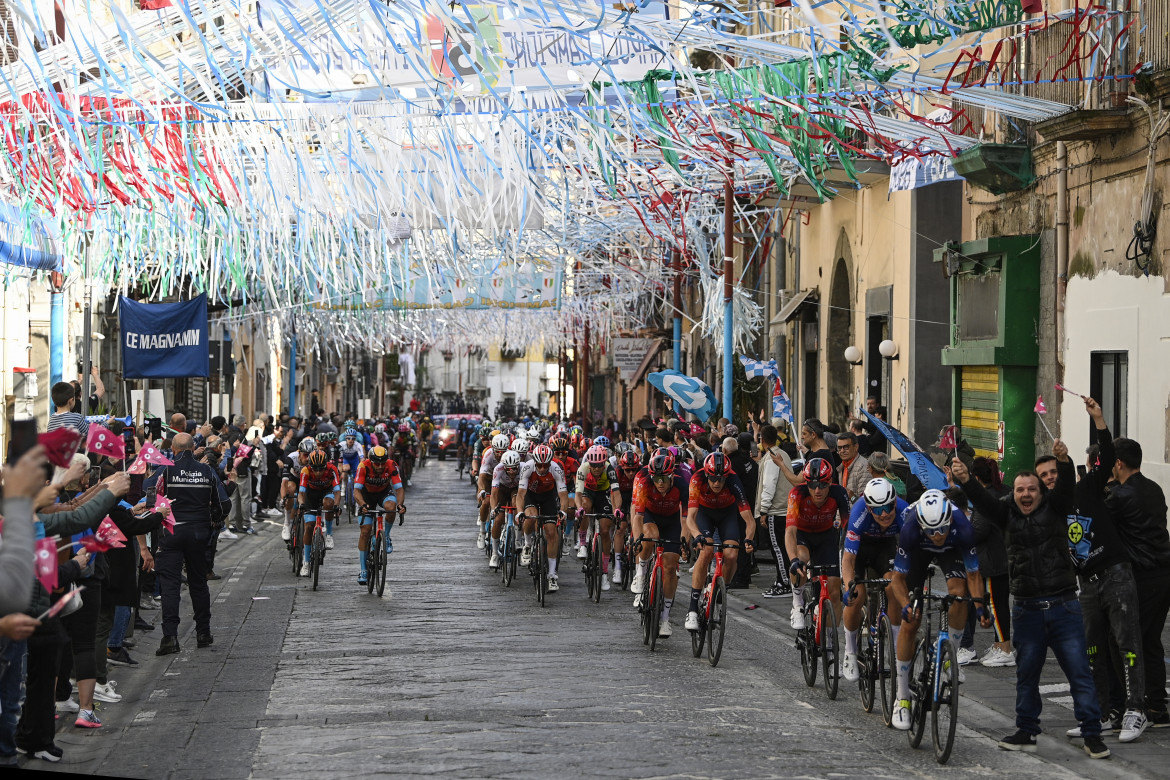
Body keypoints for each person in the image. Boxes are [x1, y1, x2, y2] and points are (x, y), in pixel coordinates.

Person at [952, 451, 1109, 759]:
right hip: (1027, 610)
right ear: (1014, 493)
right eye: (1020, 489)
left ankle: (1093, 735)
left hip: (1064, 606)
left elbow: (1064, 488)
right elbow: (983, 501)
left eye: (1032, 489)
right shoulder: (1005, 514)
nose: (1026, 494)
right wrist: (965, 478)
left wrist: (1063, 462)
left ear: (1041, 492)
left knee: (1079, 673)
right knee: (1026, 676)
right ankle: (1026, 730)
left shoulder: (1057, 506)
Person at [1053, 398, 1147, 741]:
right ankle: (1104, 713)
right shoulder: (1049, 511)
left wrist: (1099, 420)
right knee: (1092, 649)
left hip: (1115, 573)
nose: (1051, 480)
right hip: (1086, 584)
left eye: (1056, 472)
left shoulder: (1086, 489)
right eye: (1044, 477)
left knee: (1128, 643)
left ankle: (1137, 710)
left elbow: (1107, 457)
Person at [887, 490, 987, 729]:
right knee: (911, 621)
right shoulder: (910, 528)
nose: (938, 535)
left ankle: (948, 655)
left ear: (949, 520)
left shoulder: (962, 526)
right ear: (923, 524)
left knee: (960, 594)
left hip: (952, 552)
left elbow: (973, 575)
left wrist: (980, 607)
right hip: (918, 552)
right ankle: (902, 699)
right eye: (932, 531)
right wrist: (905, 605)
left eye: (942, 528)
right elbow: (897, 580)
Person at [1104, 434, 1170, 729]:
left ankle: (1133, 704)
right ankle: (1157, 705)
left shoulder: (1119, 496)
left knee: (1121, 640)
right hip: (1163, 573)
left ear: (1118, 463)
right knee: (1150, 640)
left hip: (1140, 576)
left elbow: (1097, 516)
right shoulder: (1155, 488)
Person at [147, 433, 229, 655]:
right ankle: (203, 633)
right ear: (194, 448)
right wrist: (215, 519)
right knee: (199, 583)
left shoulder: (166, 469)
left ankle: (170, 638)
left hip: (171, 532)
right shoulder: (207, 471)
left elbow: (149, 493)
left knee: (170, 585)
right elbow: (224, 503)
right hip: (199, 533)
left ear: (173, 449)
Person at [839, 478, 908, 682]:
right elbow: (849, 560)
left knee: (893, 587)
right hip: (859, 550)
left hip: (884, 546)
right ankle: (850, 651)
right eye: (878, 510)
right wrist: (848, 587)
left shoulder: (905, 512)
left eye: (888, 507)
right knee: (857, 594)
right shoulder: (858, 512)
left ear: (895, 502)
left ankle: (896, 647)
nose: (884, 514)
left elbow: (914, 551)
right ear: (869, 508)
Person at [683, 452, 756, 632]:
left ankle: (722, 588)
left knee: (731, 555)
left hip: (727, 514)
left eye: (721, 479)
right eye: (713, 478)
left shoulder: (733, 480)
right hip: (704, 514)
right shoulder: (697, 479)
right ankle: (692, 610)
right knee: (706, 551)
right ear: (706, 474)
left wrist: (749, 539)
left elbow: (749, 520)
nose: (717, 483)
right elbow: (690, 518)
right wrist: (696, 535)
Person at [959, 456, 1014, 668]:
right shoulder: (1004, 490)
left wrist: (964, 528)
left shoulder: (986, 499)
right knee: (999, 603)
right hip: (1002, 555)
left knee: (996, 604)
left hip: (992, 560)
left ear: (976, 477)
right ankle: (1001, 645)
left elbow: (979, 530)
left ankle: (1004, 648)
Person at [785, 458, 851, 630]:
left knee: (834, 591)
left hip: (826, 537)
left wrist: (850, 559)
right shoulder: (797, 494)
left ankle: (830, 637)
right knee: (801, 559)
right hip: (803, 536)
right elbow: (790, 532)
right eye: (812, 485)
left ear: (830, 481)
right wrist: (793, 560)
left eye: (822, 485)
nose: (817, 490)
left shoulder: (839, 493)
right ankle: (797, 603)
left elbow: (849, 529)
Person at [515, 445, 569, 591]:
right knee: (531, 517)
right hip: (531, 495)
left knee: (552, 532)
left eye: (546, 465)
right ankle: (527, 544)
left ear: (550, 462)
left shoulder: (556, 468)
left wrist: (563, 512)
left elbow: (563, 495)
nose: (543, 468)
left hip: (548, 497)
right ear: (535, 462)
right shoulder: (527, 467)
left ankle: (552, 575)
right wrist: (520, 512)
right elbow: (520, 494)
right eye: (539, 465)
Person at [353, 446, 405, 585]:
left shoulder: (391, 465)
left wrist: (400, 505)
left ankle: (386, 536)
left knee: (390, 507)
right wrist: (363, 505)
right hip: (366, 496)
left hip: (383, 493)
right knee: (365, 531)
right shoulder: (363, 466)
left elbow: (399, 488)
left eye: (383, 462)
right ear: (371, 461)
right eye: (377, 463)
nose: (381, 466)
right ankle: (363, 570)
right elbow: (356, 491)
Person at [835, 431, 870, 502]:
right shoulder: (842, 466)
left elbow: (864, 503)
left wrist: (852, 497)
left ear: (856, 447)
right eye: (839, 448)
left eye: (846, 447)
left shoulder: (863, 467)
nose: (842, 451)